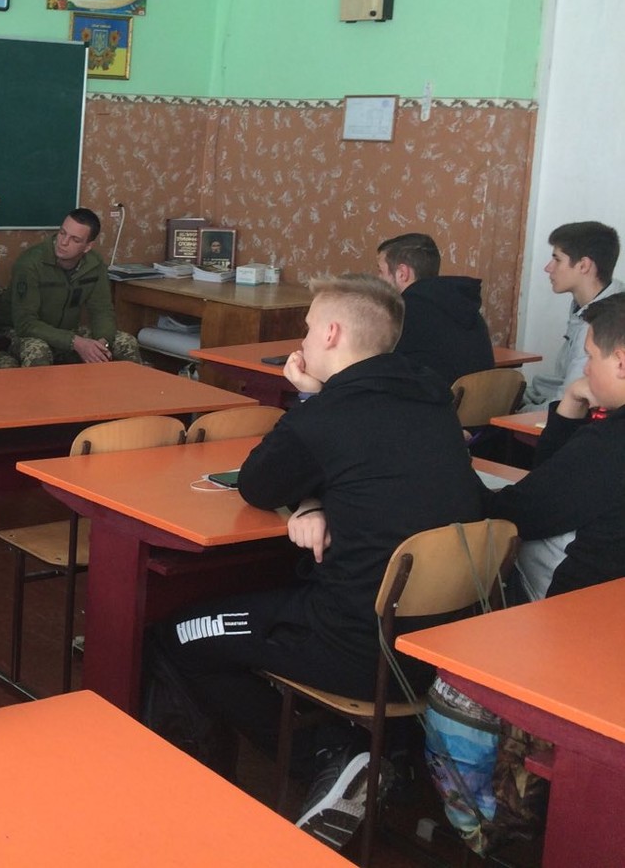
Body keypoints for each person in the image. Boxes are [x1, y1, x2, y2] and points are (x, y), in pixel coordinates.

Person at [147, 274, 481, 850]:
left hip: (356, 645)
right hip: (441, 650)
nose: (301, 340)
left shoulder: (328, 413)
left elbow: (257, 484)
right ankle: (372, 758)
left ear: (331, 333)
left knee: (176, 635)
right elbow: (366, 471)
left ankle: (327, 755)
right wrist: (314, 500)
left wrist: (308, 399)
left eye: (306, 328)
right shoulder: (433, 400)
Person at [484, 293, 625, 599]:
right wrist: (571, 403)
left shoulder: (607, 445)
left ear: (621, 363)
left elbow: (522, 511)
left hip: (579, 610)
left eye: (590, 357)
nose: (586, 370)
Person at [5, 208, 141, 367]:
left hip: (68, 332)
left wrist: (102, 343)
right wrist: (75, 342)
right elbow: (25, 324)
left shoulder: (94, 264)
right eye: (62, 233)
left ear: (87, 246)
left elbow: (102, 311)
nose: (63, 242)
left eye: (74, 239)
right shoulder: (30, 263)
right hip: (22, 334)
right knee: (37, 350)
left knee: (126, 342)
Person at [522, 220, 624, 409]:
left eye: (557, 259)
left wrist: (512, 415)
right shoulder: (585, 304)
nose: (548, 268)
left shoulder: (603, 322)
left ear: (584, 265)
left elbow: (568, 404)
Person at [375, 231, 493, 384]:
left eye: (380, 271)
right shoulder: (465, 305)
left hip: (436, 398)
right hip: (477, 398)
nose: (378, 278)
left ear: (402, 273)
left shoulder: (405, 312)